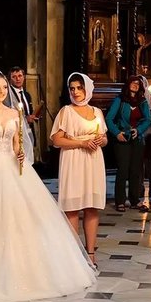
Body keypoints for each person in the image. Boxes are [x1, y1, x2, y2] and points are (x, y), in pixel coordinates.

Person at [0, 70, 96, 302]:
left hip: (12, 165)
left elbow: (17, 143)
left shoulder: (13, 113)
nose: (0, 92)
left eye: (3, 88)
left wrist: (19, 155)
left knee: (25, 217)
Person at [51, 73, 108, 269]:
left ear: (87, 89)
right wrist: (82, 143)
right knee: (72, 208)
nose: (75, 92)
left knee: (91, 207)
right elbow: (57, 140)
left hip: (93, 161)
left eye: (79, 88)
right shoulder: (66, 111)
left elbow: (104, 138)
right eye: (72, 88)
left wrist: (101, 140)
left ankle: (91, 253)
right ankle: (74, 255)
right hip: (73, 160)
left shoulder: (97, 112)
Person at [106, 75, 151, 212]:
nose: (135, 85)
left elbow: (147, 119)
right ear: (128, 85)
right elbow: (109, 119)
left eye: (137, 84)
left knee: (135, 170)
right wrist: (117, 133)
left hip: (136, 138)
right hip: (122, 138)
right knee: (123, 169)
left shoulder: (142, 102)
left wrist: (138, 130)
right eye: (132, 83)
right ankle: (120, 201)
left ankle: (134, 200)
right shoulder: (119, 100)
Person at [8, 66, 42, 162]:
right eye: (14, 77)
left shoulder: (27, 94)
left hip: (28, 131)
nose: (18, 79)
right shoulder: (8, 96)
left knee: (28, 159)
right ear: (10, 79)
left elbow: (29, 112)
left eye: (20, 76)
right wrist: (25, 119)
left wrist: (35, 116)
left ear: (24, 77)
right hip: (16, 133)